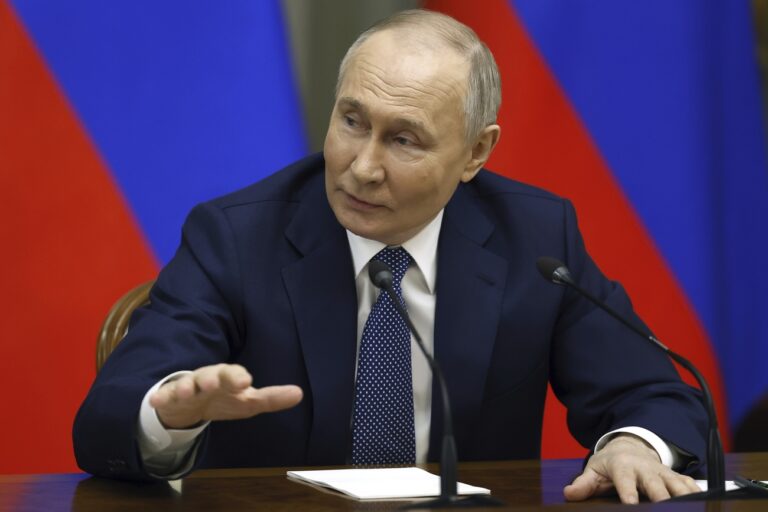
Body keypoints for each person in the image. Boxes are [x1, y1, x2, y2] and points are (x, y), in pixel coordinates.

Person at [73, 9, 707, 504]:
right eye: (352, 121)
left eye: (403, 139)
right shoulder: (235, 238)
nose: (363, 166)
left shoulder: (536, 238)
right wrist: (168, 416)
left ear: (476, 154)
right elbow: (104, 420)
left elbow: (655, 394)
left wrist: (635, 444)